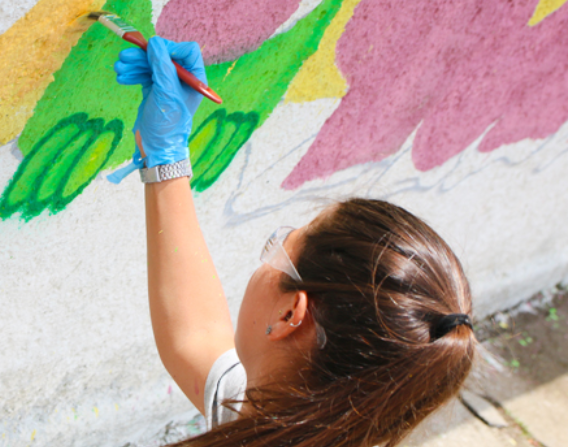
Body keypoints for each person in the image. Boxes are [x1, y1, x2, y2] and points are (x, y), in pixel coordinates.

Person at [112, 36, 476, 447]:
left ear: (291, 313)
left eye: (280, 247)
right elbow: (193, 335)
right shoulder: (287, 415)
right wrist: (166, 158)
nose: (267, 257)